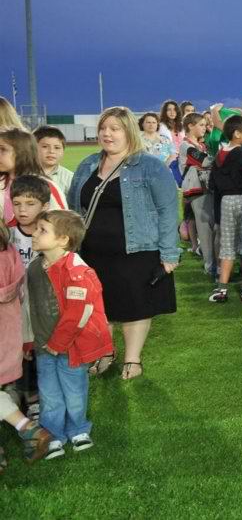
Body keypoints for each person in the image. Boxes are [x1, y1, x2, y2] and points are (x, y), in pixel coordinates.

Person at [68, 107, 179, 381]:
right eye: (103, 128)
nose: (107, 134)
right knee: (98, 306)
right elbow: (74, 207)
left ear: (128, 131)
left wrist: (169, 254)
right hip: (92, 251)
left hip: (137, 251)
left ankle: (133, 358)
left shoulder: (150, 166)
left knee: (135, 305)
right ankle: (105, 351)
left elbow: (167, 211)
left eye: (114, 129)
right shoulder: (87, 164)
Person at [28, 210, 112, 459]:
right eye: (36, 229)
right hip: (44, 345)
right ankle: (53, 434)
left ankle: (78, 429)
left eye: (42, 230)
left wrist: (58, 343)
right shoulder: (35, 268)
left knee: (74, 390)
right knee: (49, 393)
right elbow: (31, 307)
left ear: (63, 239)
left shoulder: (77, 272)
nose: (34, 233)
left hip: (71, 347)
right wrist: (33, 340)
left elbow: (79, 313)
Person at [0, 221, 54, 468]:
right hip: (8, 336)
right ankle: (27, 429)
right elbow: (20, 294)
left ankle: (27, 429)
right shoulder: (9, 251)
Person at [10, 176, 51, 421]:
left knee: (38, 351)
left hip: (41, 305)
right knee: (20, 352)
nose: (22, 210)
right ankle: (22, 396)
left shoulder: (51, 234)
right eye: (17, 203)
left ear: (45, 206)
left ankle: (37, 399)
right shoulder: (8, 234)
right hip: (15, 306)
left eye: (30, 203)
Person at [208, 115, 242, 302]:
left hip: (225, 201)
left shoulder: (218, 156)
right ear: (237, 133)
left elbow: (212, 185)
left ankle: (222, 289)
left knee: (227, 246)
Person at [0, 128, 68, 224]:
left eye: (3, 149)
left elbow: (62, 224)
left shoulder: (45, 185)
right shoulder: (2, 182)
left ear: (21, 152)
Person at [179, 112, 215, 276]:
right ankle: (210, 266)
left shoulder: (200, 145)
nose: (204, 128)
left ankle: (212, 262)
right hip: (196, 189)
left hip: (205, 188)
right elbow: (205, 161)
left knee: (210, 226)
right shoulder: (186, 146)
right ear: (190, 126)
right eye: (201, 125)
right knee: (205, 228)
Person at [33, 126, 74, 194]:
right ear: (32, 148)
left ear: (63, 151)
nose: (51, 151)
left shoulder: (70, 178)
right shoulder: (23, 173)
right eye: (45, 147)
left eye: (57, 148)